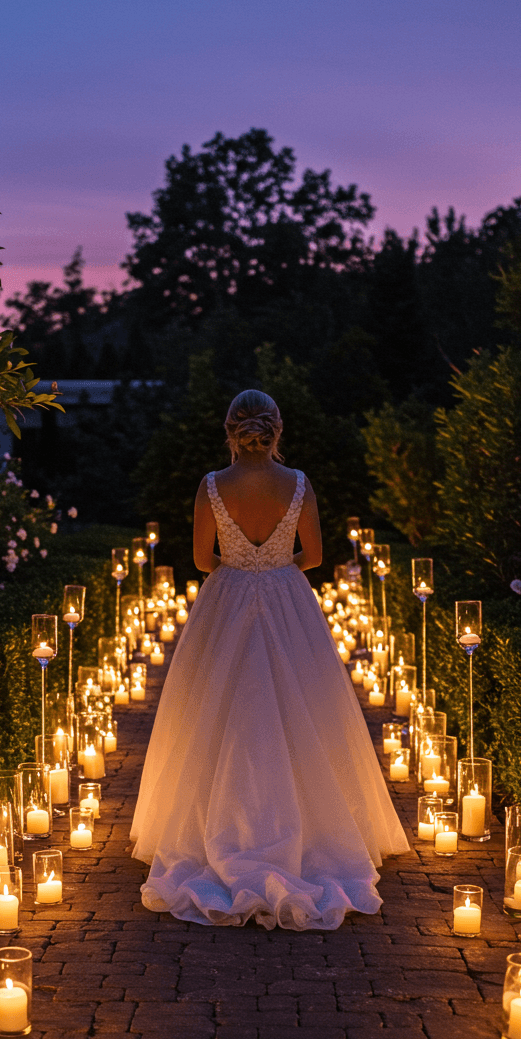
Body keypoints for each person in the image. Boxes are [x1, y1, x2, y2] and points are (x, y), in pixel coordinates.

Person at [129, 389, 409, 929]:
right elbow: (319, 557)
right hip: (288, 597)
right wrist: (277, 564)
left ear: (231, 431)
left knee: (219, 714)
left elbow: (199, 559)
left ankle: (219, 833)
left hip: (226, 597)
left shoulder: (212, 486)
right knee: (305, 711)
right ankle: (310, 831)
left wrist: (242, 564)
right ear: (276, 430)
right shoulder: (298, 484)